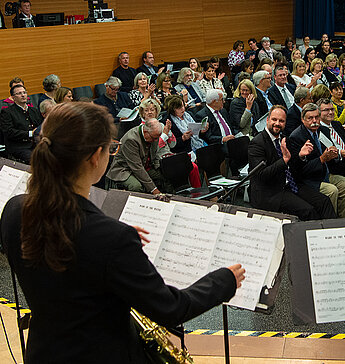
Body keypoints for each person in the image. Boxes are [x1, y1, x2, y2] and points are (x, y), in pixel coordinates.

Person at [0, 102, 245, 363]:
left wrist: (111, 237)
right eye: (109, 149)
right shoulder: (111, 239)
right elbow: (172, 308)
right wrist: (224, 280)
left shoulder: (14, 210)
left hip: (44, 352)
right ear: (96, 156)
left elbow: (70, 250)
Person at [248, 105, 336, 221]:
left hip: (291, 185)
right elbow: (261, 176)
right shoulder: (257, 143)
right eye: (274, 120)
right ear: (268, 120)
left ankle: (332, 234)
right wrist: (283, 160)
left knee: (324, 202)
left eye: (281, 121)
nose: (277, 123)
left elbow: (295, 168)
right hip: (271, 192)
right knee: (309, 211)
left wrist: (300, 156)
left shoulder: (284, 139)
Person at [288, 103, 345, 218]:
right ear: (303, 120)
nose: (314, 121)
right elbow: (301, 170)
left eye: (317, 117)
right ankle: (330, 224)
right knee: (331, 190)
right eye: (310, 118)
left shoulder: (320, 131)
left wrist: (333, 153)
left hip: (324, 173)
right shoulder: (296, 137)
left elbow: (326, 153)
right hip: (308, 180)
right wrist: (322, 159)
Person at [0, 84, 42, 163]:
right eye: (19, 93)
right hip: (19, 147)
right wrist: (30, 133)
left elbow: (40, 126)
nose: (23, 95)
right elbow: (8, 132)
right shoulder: (7, 112)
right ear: (13, 98)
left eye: (24, 93)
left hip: (36, 144)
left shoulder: (34, 110)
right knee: (34, 159)